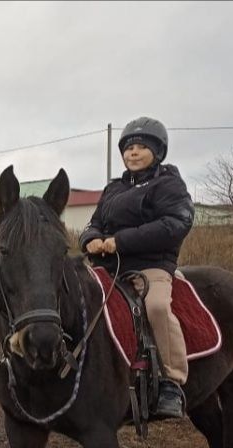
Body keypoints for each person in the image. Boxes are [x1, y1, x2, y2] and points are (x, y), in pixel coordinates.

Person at [79, 116, 195, 419]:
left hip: (151, 266)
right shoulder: (113, 189)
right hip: (109, 266)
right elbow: (94, 223)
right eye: (129, 147)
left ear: (157, 152)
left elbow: (175, 223)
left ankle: (172, 381)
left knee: (156, 307)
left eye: (142, 147)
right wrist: (90, 239)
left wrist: (122, 241)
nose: (133, 152)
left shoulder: (168, 184)